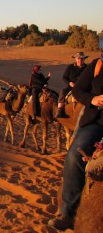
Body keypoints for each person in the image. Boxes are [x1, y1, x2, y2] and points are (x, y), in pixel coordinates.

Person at [48, 36, 103, 231]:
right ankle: (68, 213)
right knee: (74, 156)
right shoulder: (96, 66)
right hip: (97, 121)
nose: (80, 60)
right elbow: (79, 90)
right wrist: (93, 99)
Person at [55, 52, 88, 118]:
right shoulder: (70, 67)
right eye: (78, 58)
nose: (80, 60)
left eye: (82, 59)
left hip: (84, 87)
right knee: (63, 91)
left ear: (84, 59)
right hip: (71, 87)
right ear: (75, 59)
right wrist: (70, 83)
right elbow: (64, 77)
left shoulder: (87, 68)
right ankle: (60, 110)